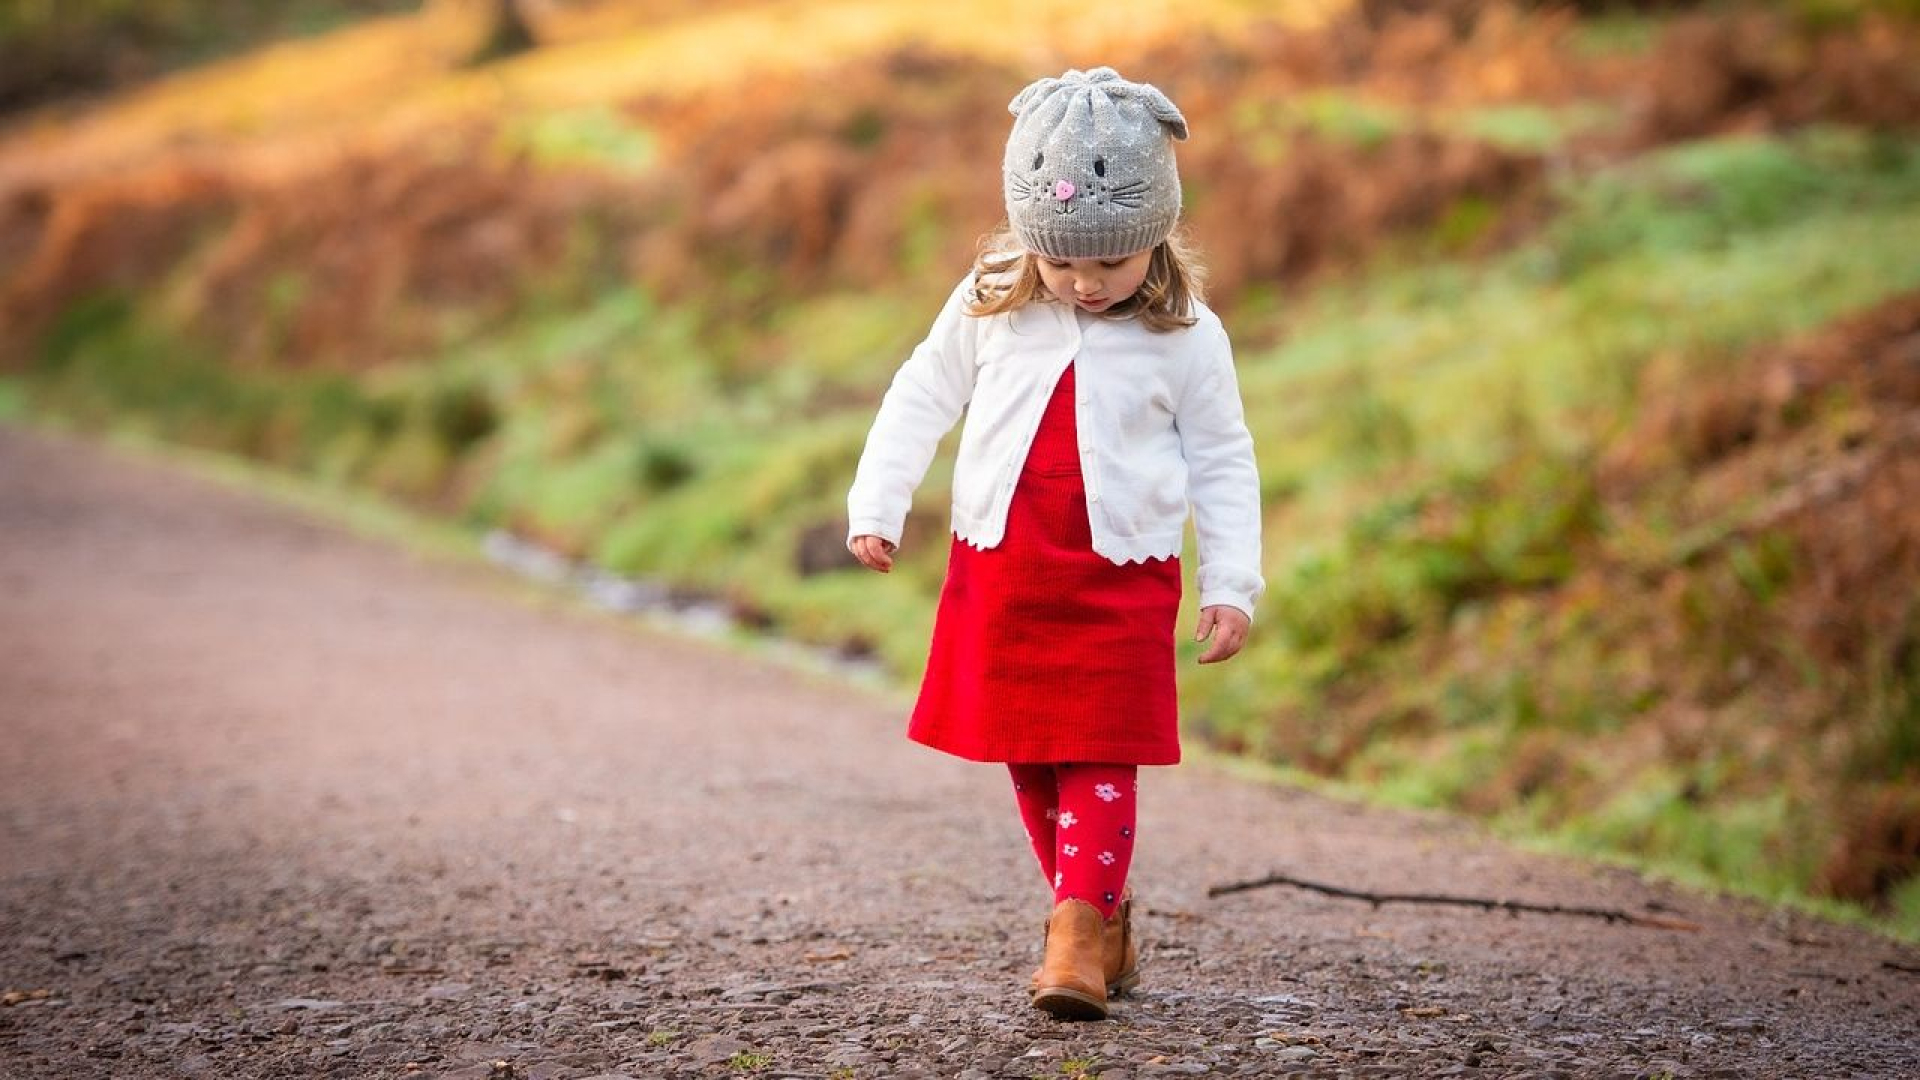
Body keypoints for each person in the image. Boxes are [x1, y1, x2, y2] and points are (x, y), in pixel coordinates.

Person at [845, 66, 1263, 1021]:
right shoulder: (993, 298)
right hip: (1007, 562)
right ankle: (1101, 918)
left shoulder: (1188, 335)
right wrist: (879, 503)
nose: (1084, 282)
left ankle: (1074, 931)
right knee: (1030, 749)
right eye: (1062, 260)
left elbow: (1223, 458)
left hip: (1122, 574)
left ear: (1156, 235)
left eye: (1110, 263)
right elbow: (922, 394)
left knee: (1101, 744)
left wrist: (1232, 581)